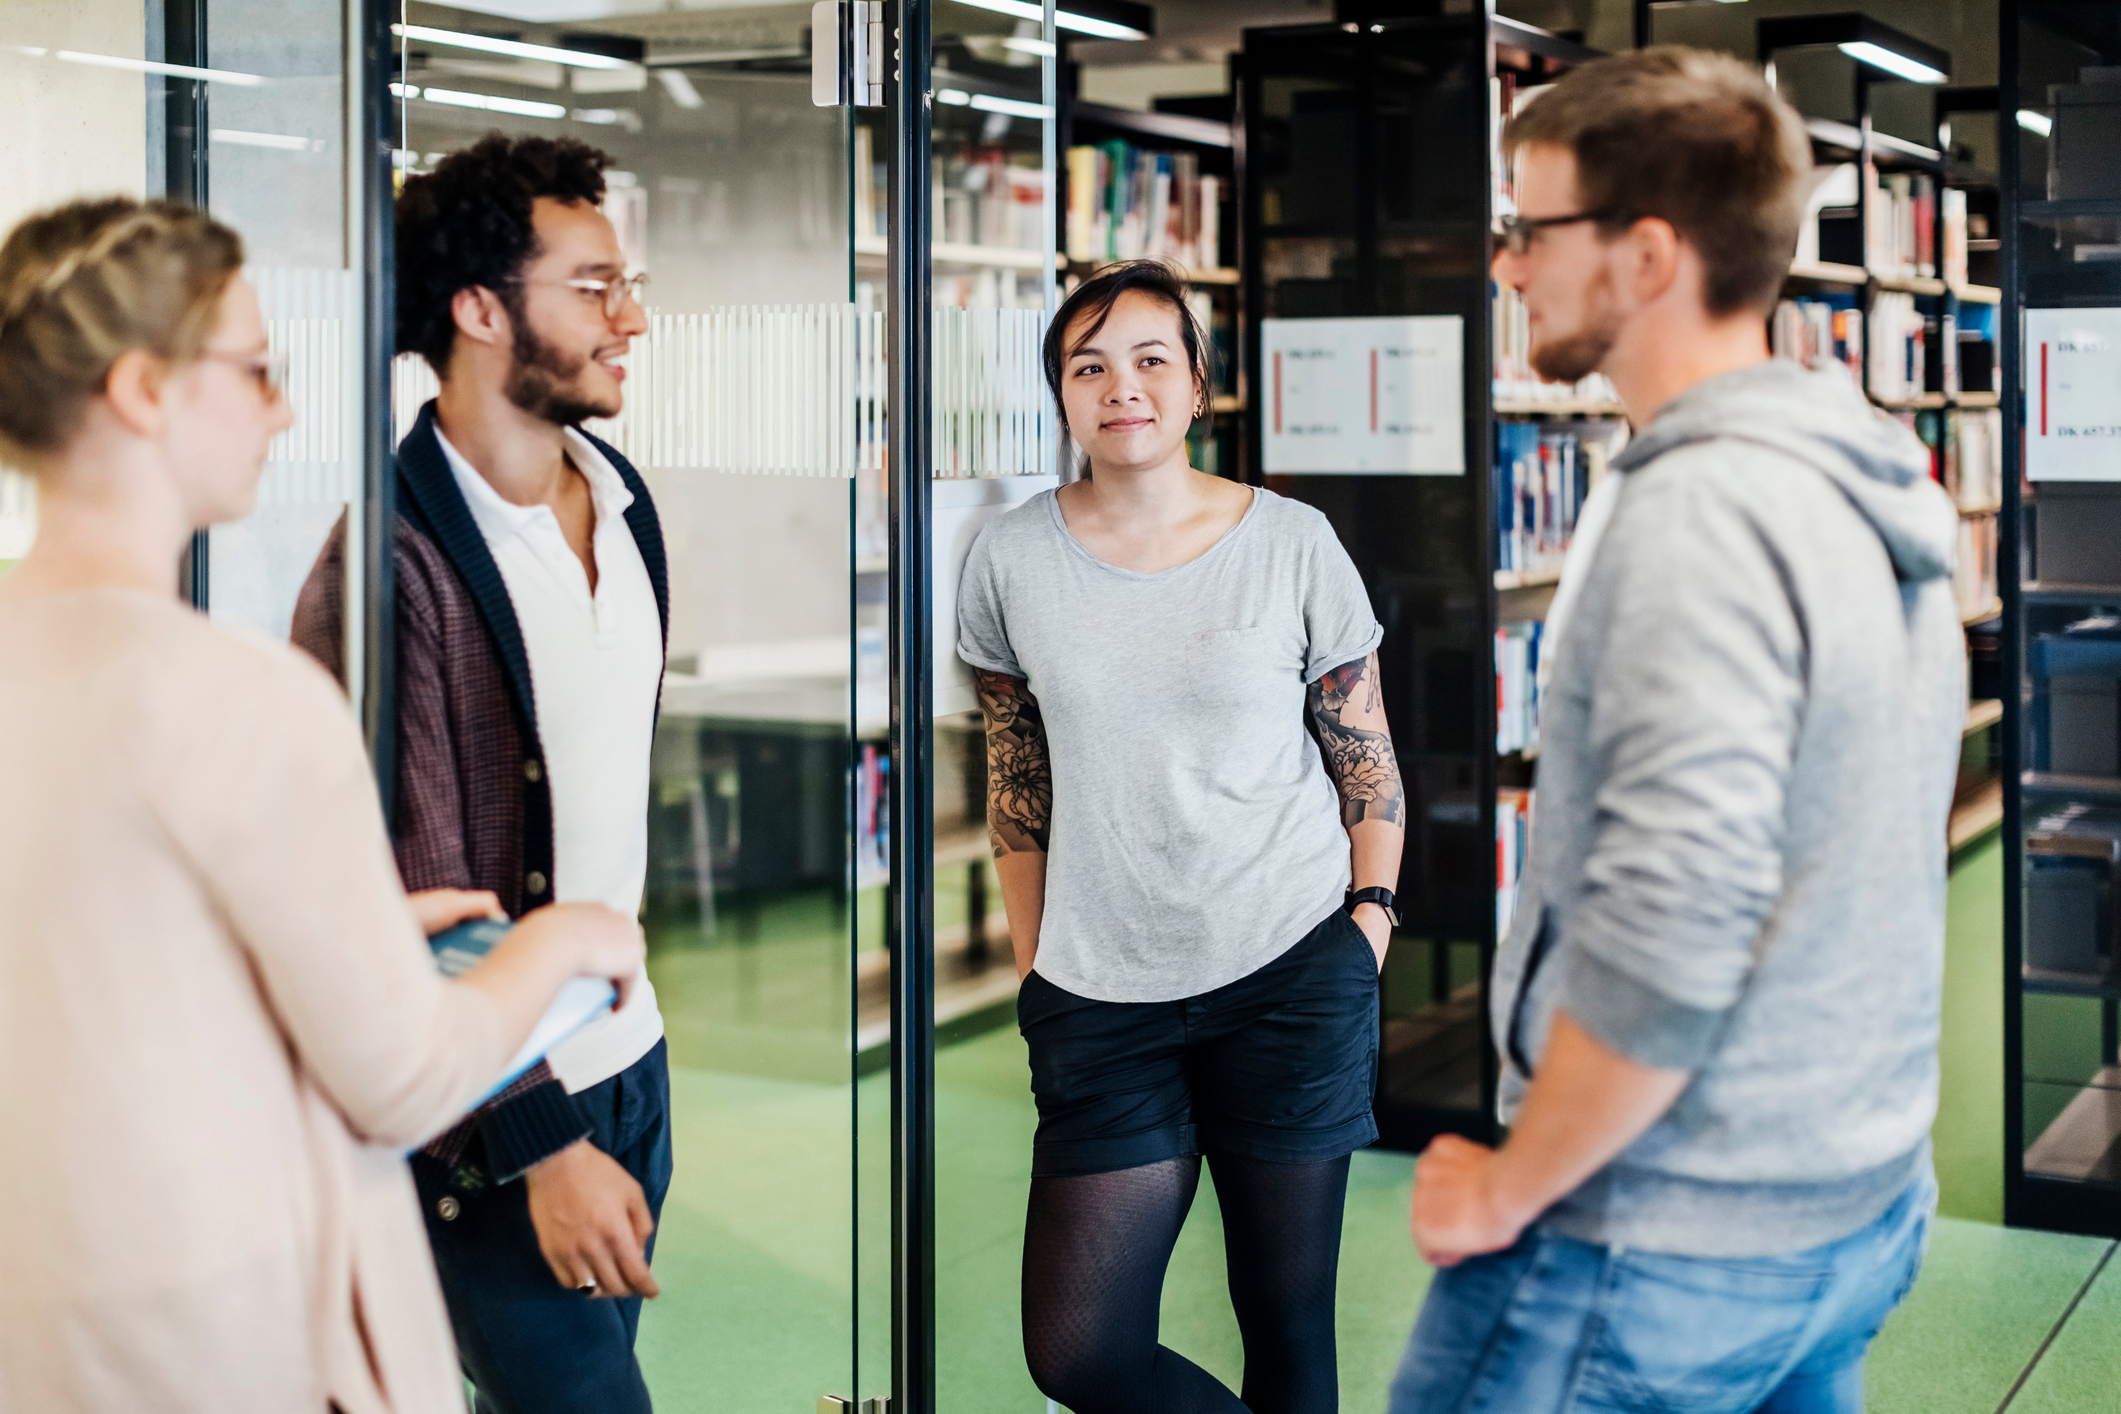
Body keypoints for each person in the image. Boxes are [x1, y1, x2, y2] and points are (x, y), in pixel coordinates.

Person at [1388, 48, 1965, 1414]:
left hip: (1656, 1235)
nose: (1508, 267)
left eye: (1531, 229)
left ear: (1647, 256)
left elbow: (1673, 918)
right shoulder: (1859, 477)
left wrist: (1509, 1180)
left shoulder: (1698, 520)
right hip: (1847, 1197)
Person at [0, 197, 644, 1413]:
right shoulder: (243, 697)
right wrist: (567, 937)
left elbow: (98, 964)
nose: (284, 409)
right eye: (254, 372)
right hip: (217, 1325)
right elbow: (403, 1077)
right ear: (143, 390)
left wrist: (346, 934)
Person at [955, 259, 1406, 1414]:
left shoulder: (1292, 541)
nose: (1122, 387)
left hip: (1293, 966)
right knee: (1080, 1350)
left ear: (1199, 385)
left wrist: (1370, 922)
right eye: (1088, 366)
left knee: (1289, 1324)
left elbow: (1364, 753)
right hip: (1101, 991)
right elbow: (1018, 773)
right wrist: (1033, 958)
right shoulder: (1009, 557)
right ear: (1059, 394)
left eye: (1151, 359)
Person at [292, 133, 671, 1413]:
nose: (628, 320)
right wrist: (541, 1139)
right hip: (493, 1113)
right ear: (478, 309)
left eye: (628, 284)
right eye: (592, 286)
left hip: (633, 1065)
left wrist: (610, 1097)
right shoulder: (384, 571)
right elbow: (416, 894)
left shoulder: (621, 498)